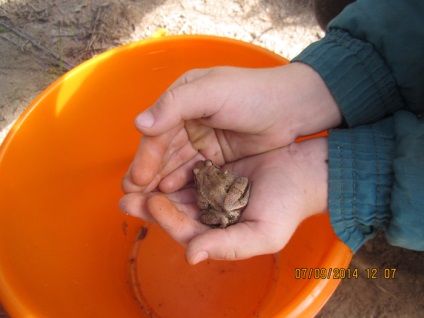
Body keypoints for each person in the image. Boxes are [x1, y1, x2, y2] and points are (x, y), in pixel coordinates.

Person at [119, 0, 424, 265]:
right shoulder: (210, 175)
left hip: (221, 203)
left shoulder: (200, 183)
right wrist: (303, 94)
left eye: (208, 167)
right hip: (226, 199)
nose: (208, 166)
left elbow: (212, 197)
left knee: (216, 209)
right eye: (207, 168)